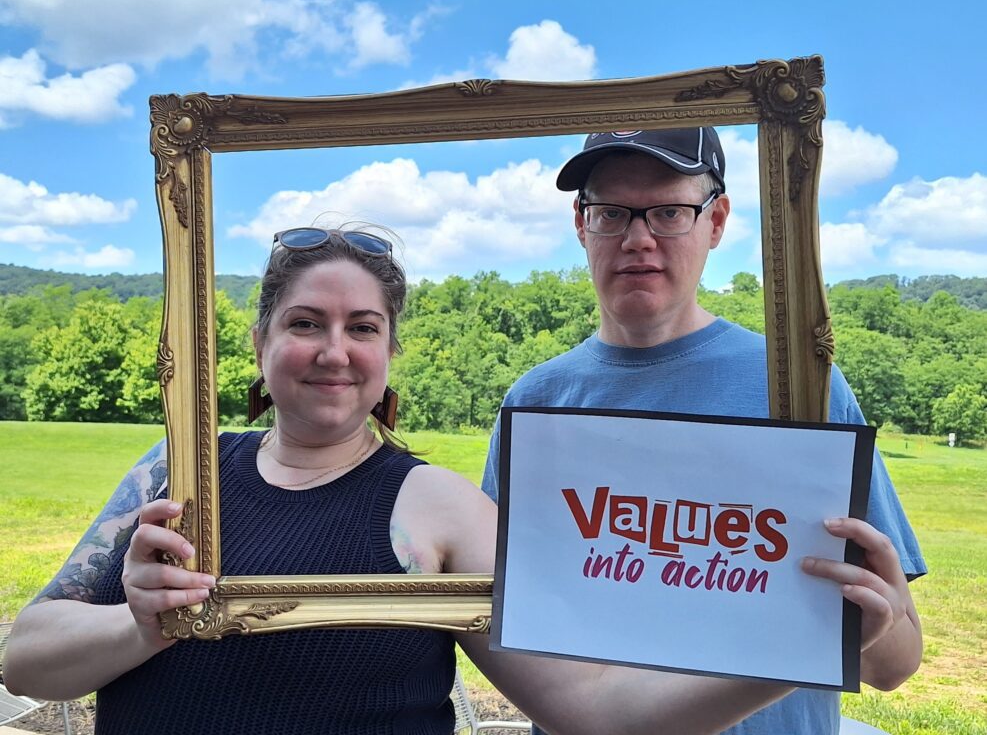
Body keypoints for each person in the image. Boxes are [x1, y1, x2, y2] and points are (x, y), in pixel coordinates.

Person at [6, 225, 913, 735]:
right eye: (304, 322)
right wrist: (141, 625)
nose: (332, 351)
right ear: (258, 343)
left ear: (390, 355)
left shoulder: (439, 506)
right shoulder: (180, 474)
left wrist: (793, 649)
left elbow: (591, 712)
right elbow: (25, 658)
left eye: (362, 327)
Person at [481, 128, 925, 735]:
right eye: (611, 213)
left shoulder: (798, 389)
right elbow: (506, 621)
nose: (638, 239)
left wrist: (872, 628)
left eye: (669, 212)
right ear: (581, 225)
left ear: (715, 221)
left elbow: (895, 666)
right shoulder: (536, 404)